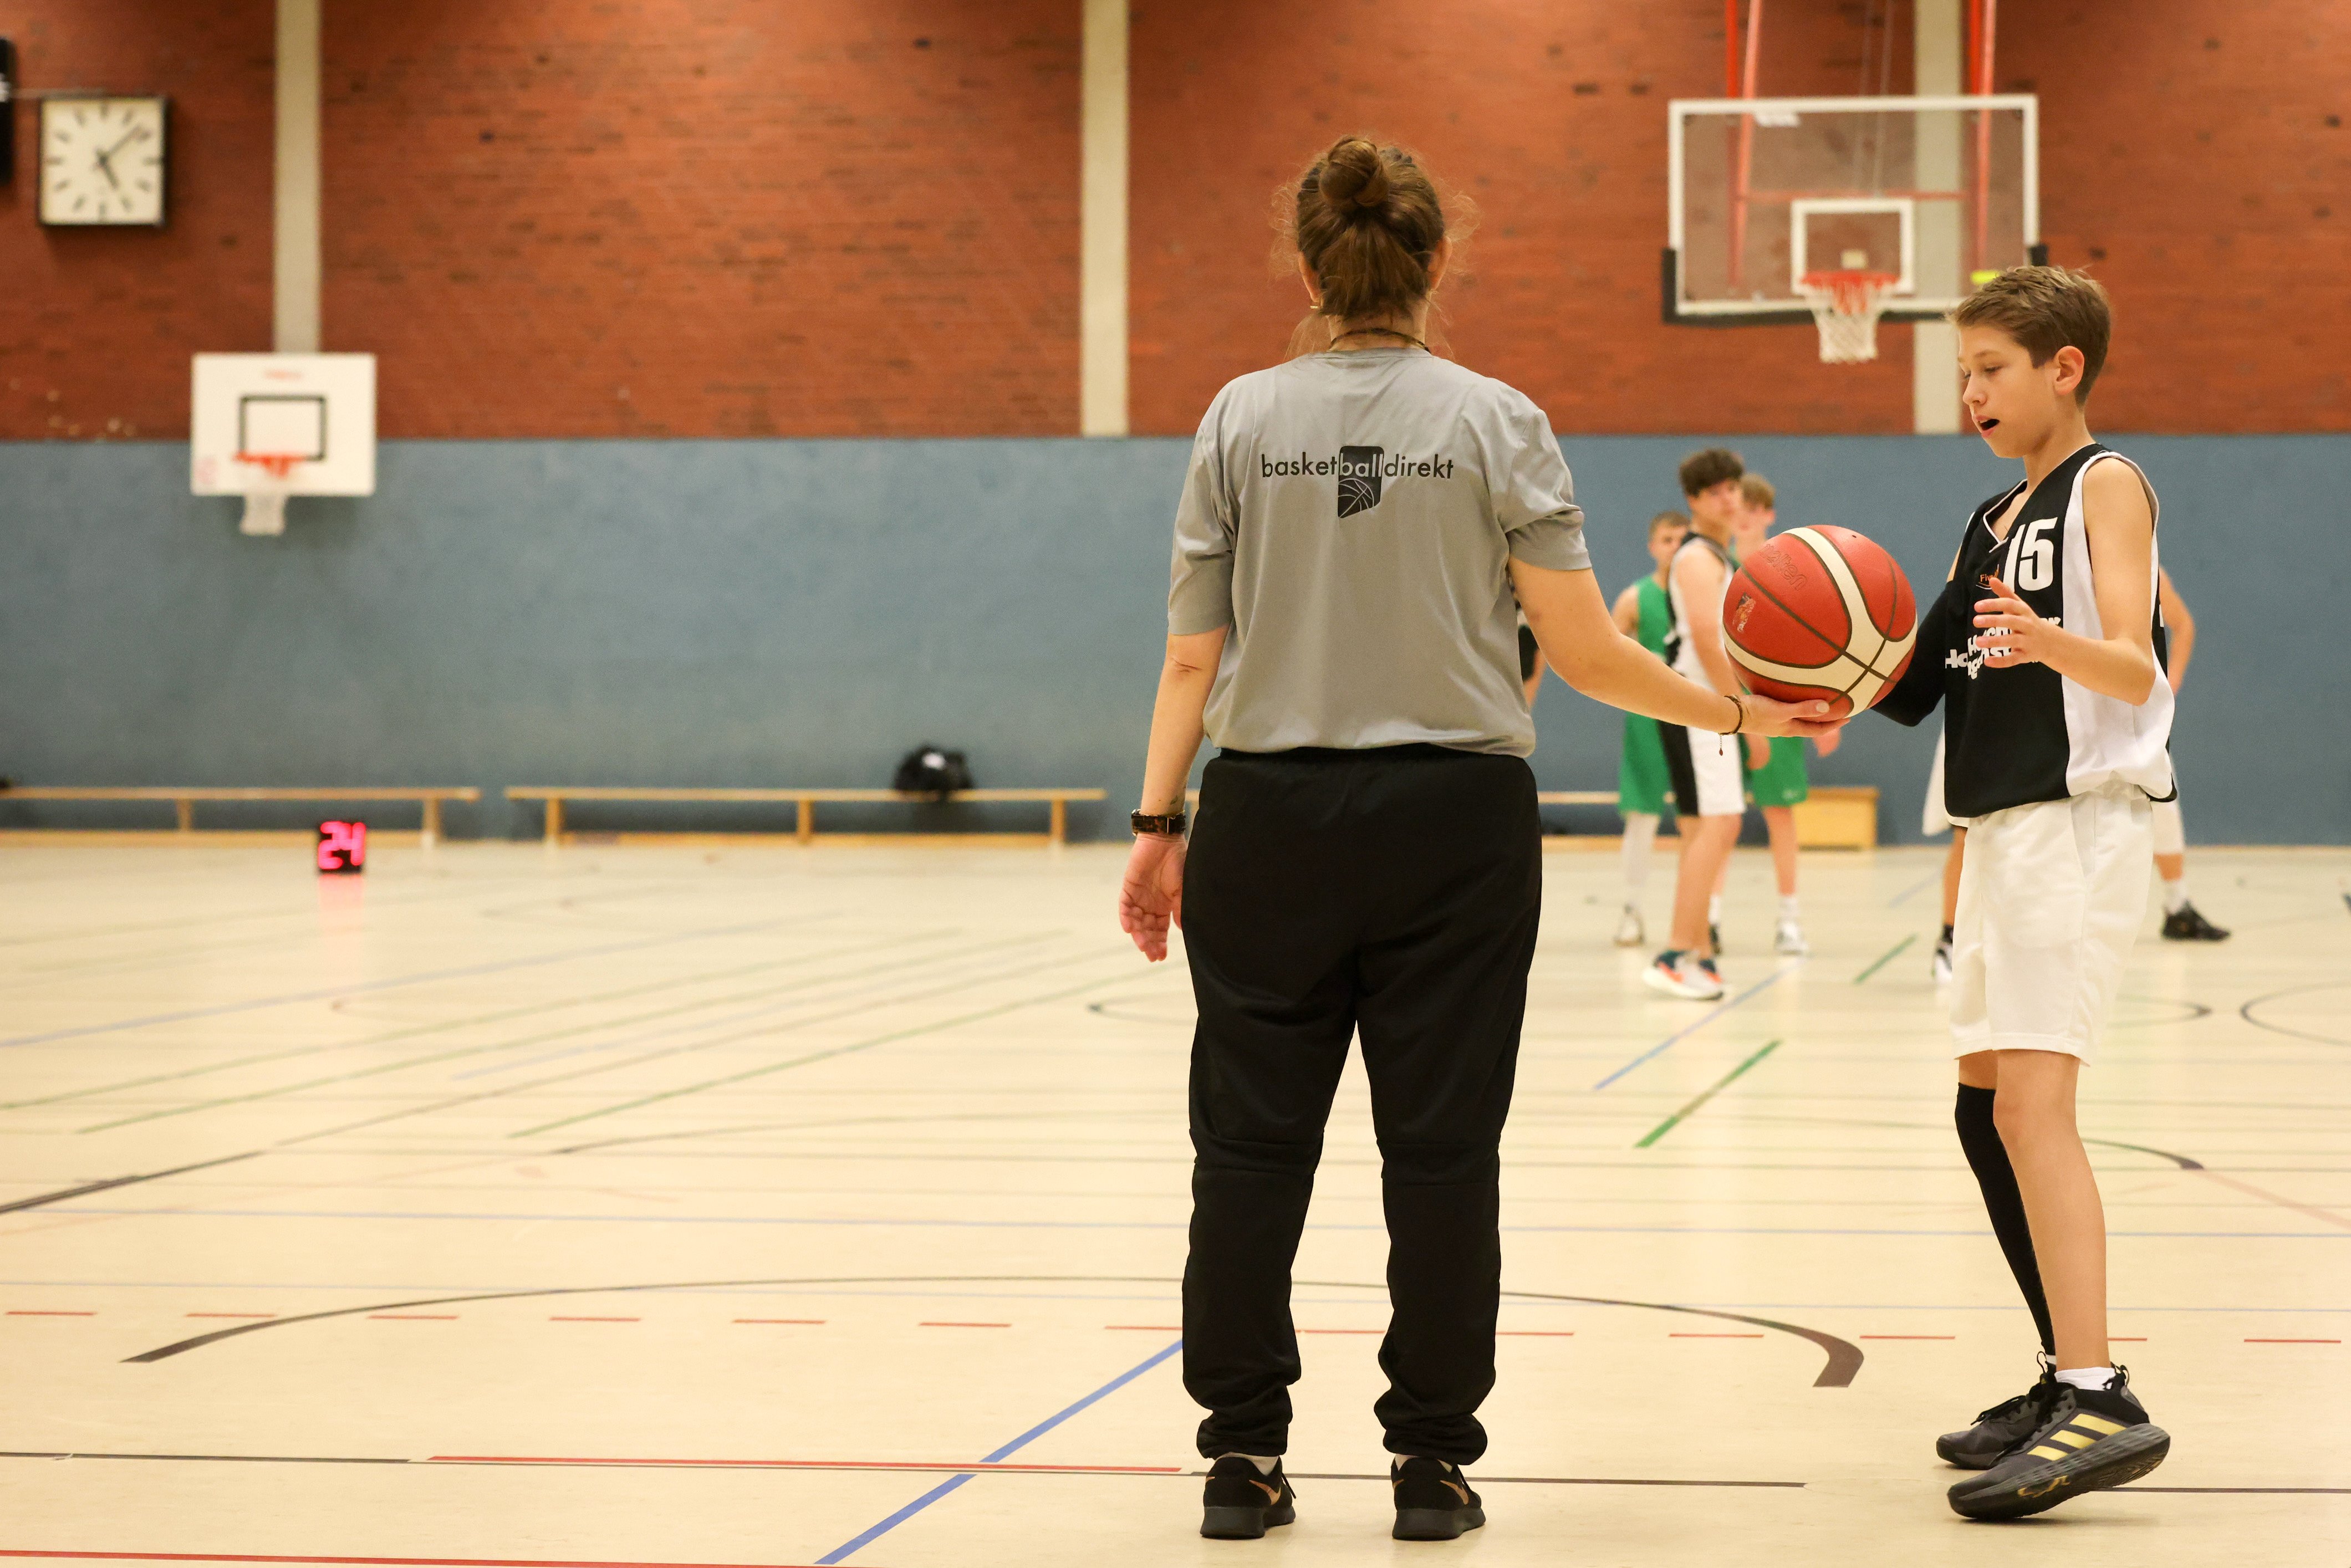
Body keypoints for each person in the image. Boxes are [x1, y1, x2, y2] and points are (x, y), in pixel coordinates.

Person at [1115, 135, 1834, 1545]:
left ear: (1307, 266)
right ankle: (1431, 1463)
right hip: (1453, 826)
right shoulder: (1499, 420)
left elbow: (1191, 657)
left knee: (1247, 1152)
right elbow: (1585, 653)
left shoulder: (1236, 419)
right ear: (1433, 260)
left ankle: (1240, 1458)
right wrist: (1738, 711)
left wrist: (1155, 824)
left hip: (1266, 819)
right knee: (1440, 1154)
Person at [1873, 265, 2174, 1519]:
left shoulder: (2106, 482)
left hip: (2075, 824)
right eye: (1962, 372)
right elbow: (1910, 682)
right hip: (1997, 830)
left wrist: (2047, 640)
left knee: (2035, 1109)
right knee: (1982, 1106)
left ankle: (2099, 1395)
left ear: (2063, 368)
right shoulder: (1989, 517)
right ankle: (2062, 1369)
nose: (1971, 391)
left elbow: (2134, 663)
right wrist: (1796, 685)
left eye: (1990, 368)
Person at [1642, 448, 1751, 1000]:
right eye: (1714, 492)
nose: (1727, 499)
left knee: (1704, 829)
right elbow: (1708, 642)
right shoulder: (1697, 559)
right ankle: (1673, 954)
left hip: (1705, 707)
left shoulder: (1716, 554)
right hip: (1699, 706)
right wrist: (1743, 713)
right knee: (1719, 823)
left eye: (1732, 487)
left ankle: (1699, 953)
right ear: (1692, 500)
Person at [1728, 474, 1842, 956]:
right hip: (1720, 706)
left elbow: (1812, 643)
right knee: (1717, 818)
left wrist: (1825, 712)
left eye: (1754, 507)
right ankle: (1707, 919)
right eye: (1738, 506)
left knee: (1779, 814)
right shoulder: (1713, 565)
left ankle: (1789, 918)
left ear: (1769, 514)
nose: (1744, 515)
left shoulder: (1786, 569)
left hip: (1774, 707)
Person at [1609, 509, 1687, 946]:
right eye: (1666, 539)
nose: (1674, 547)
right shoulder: (1634, 598)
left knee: (1707, 819)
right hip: (1648, 718)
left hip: (1697, 714)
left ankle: (1705, 917)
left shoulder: (1703, 593)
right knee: (1642, 815)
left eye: (1681, 539)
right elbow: (1605, 658)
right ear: (1652, 546)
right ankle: (1631, 909)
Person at [2152, 568, 2227, 939]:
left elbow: (2183, 625)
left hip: (2132, 710)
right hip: (2074, 709)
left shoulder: (2144, 564)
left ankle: (2177, 904)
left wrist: (2170, 682)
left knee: (2163, 805)